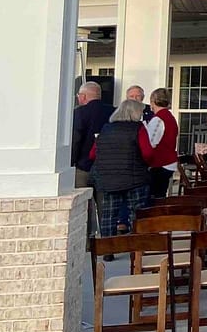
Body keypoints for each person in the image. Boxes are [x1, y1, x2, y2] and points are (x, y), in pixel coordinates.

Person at [87, 98, 155, 236]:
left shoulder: (105, 129)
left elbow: (93, 154)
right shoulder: (138, 129)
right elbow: (148, 153)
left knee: (109, 214)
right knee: (136, 214)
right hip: (135, 178)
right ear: (135, 113)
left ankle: (108, 249)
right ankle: (135, 248)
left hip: (109, 179)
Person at [70, 80, 114, 189]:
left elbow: (76, 139)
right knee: (103, 202)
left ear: (83, 96)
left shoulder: (79, 112)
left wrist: (72, 161)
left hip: (83, 165)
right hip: (107, 166)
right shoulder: (113, 111)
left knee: (83, 201)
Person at [143, 87, 180, 199]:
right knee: (160, 195)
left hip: (160, 163)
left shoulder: (159, 119)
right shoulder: (170, 117)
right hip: (168, 162)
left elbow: (150, 143)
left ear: (153, 101)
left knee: (154, 197)